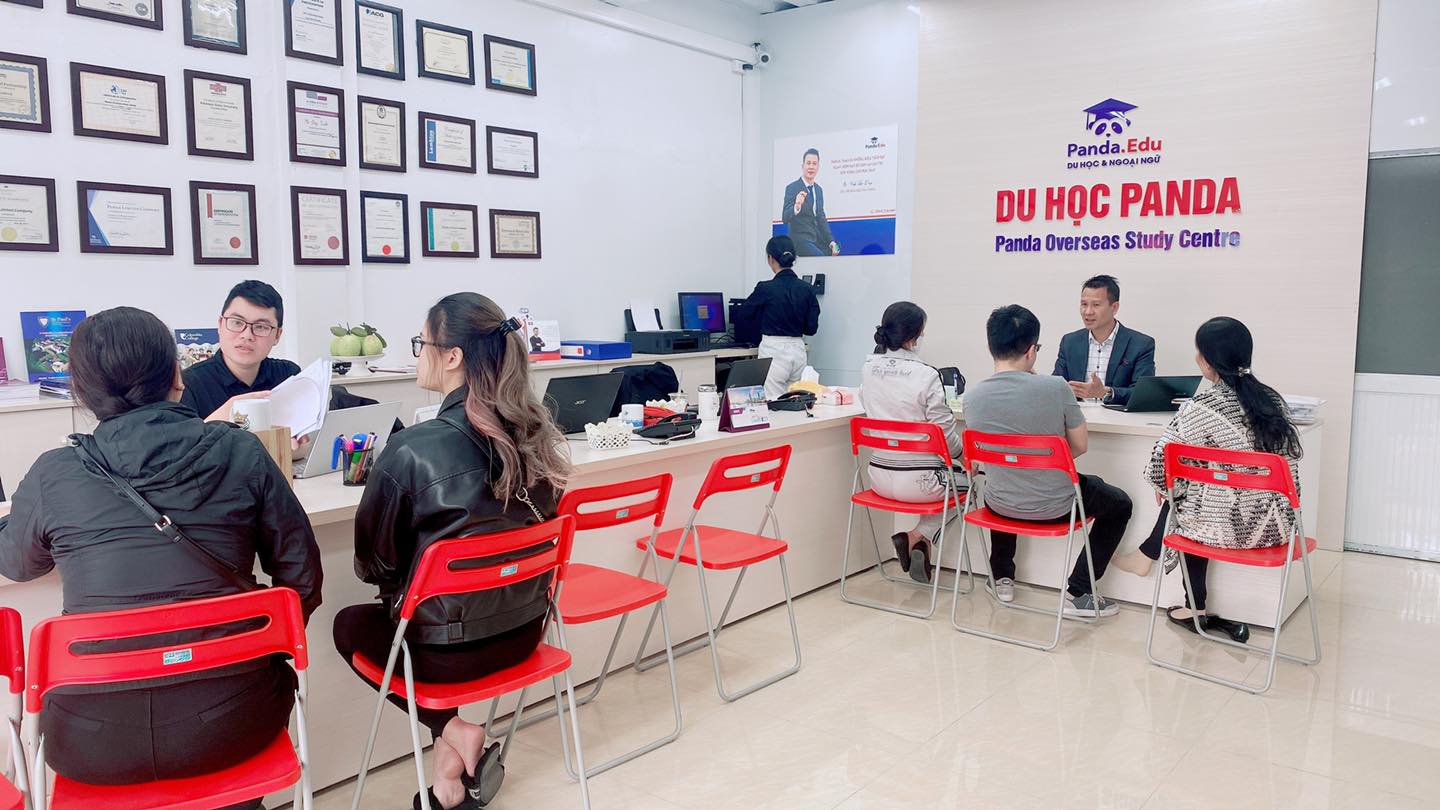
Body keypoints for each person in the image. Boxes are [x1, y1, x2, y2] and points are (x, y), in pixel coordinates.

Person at [0, 307, 321, 804]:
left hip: (92, 740)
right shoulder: (240, 451)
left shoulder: (54, 473)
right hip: (237, 719)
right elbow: (302, 580)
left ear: (80, 390)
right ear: (176, 374)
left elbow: (18, 565)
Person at [333, 292, 571, 810]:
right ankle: (448, 781)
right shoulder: (537, 437)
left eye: (422, 344)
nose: (419, 354)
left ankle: (452, 727)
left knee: (350, 625)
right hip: (524, 634)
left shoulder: (411, 449)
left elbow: (373, 566)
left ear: (453, 356)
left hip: (449, 657)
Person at [1110, 317, 1303, 643]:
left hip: (1223, 529)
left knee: (1185, 497)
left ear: (1207, 361)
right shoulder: (1273, 402)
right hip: (1280, 528)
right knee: (1198, 489)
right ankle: (1154, 563)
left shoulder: (1199, 408)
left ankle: (1190, 602)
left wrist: (1168, 488)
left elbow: (1158, 467)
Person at [963, 305, 1132, 616]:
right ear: (1031, 350)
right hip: (1057, 509)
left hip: (1000, 505)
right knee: (1119, 503)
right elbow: (1079, 446)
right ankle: (1079, 591)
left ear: (990, 346)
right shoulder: (1055, 387)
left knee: (1005, 477)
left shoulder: (972, 398)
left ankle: (1001, 577)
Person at [859, 302, 964, 584]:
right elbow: (944, 435)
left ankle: (919, 541)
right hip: (921, 483)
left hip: (878, 478)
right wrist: (963, 456)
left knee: (951, 478)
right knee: (970, 482)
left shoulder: (868, 368)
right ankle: (917, 536)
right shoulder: (927, 375)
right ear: (914, 336)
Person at [181, 279, 300, 422]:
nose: (247, 335)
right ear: (220, 324)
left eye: (261, 327)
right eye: (237, 322)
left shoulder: (289, 376)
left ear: (277, 335)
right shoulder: (187, 384)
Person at [1052, 275, 1156, 405]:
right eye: (1084, 304)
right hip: (1077, 415)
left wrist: (1106, 392)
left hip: (1117, 416)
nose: (1088, 312)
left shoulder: (1141, 344)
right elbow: (1057, 385)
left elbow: (1143, 393)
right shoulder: (1069, 342)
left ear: (1114, 307)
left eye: (1096, 305)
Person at [741, 235, 821, 399]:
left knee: (773, 403)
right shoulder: (807, 289)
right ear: (794, 257)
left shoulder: (765, 288)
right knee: (797, 400)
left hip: (773, 350)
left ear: (770, 259)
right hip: (798, 350)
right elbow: (811, 329)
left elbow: (743, 316)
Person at [781, 148, 839, 257]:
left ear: (818, 167)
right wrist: (797, 206)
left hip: (816, 239)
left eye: (814, 164)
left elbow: (821, 217)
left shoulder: (818, 190)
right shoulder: (792, 188)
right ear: (802, 166)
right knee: (820, 258)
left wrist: (831, 241)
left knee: (833, 254)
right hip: (800, 239)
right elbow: (785, 217)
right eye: (808, 163)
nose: (811, 167)